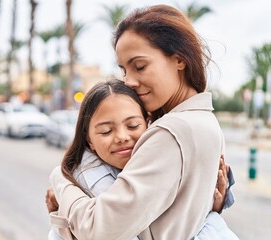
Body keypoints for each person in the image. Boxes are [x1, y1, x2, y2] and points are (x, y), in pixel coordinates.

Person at [48, 4, 237, 239]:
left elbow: (99, 228)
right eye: (124, 70)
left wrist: (61, 180)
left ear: (180, 59)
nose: (129, 81)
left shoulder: (171, 132)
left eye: (140, 66)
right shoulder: (206, 121)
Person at [47, 79, 237, 240]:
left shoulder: (155, 162)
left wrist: (209, 204)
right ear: (89, 139)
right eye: (106, 131)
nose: (121, 136)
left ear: (148, 124)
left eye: (132, 125)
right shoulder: (92, 178)